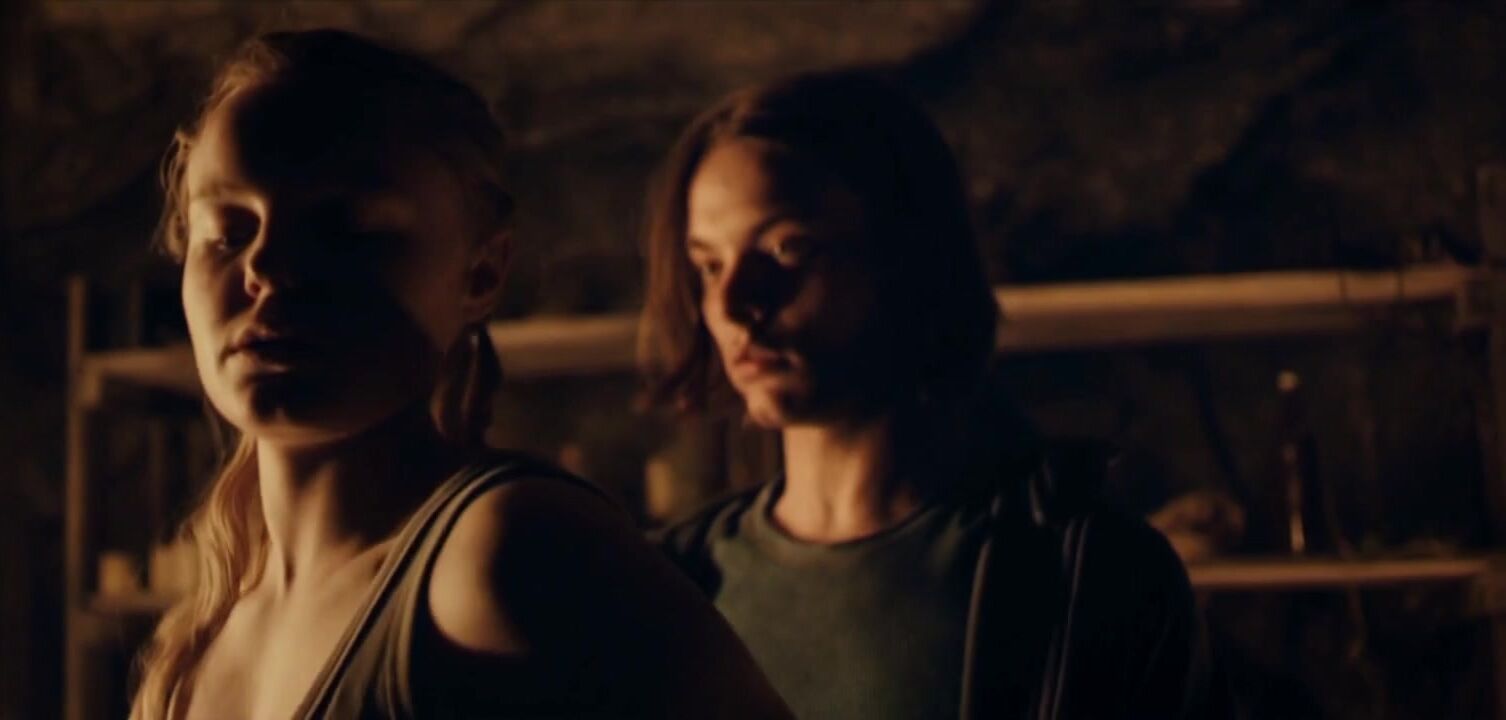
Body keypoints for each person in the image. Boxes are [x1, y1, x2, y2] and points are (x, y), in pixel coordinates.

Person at [130, 29, 790, 720]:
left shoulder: (516, 551)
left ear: (481, 274)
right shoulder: (206, 634)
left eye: (341, 228)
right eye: (228, 232)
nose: (265, 267)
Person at [643, 70, 1210, 719]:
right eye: (709, 264)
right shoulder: (673, 585)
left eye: (786, 248)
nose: (732, 303)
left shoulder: (1083, 577)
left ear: (903, 252)